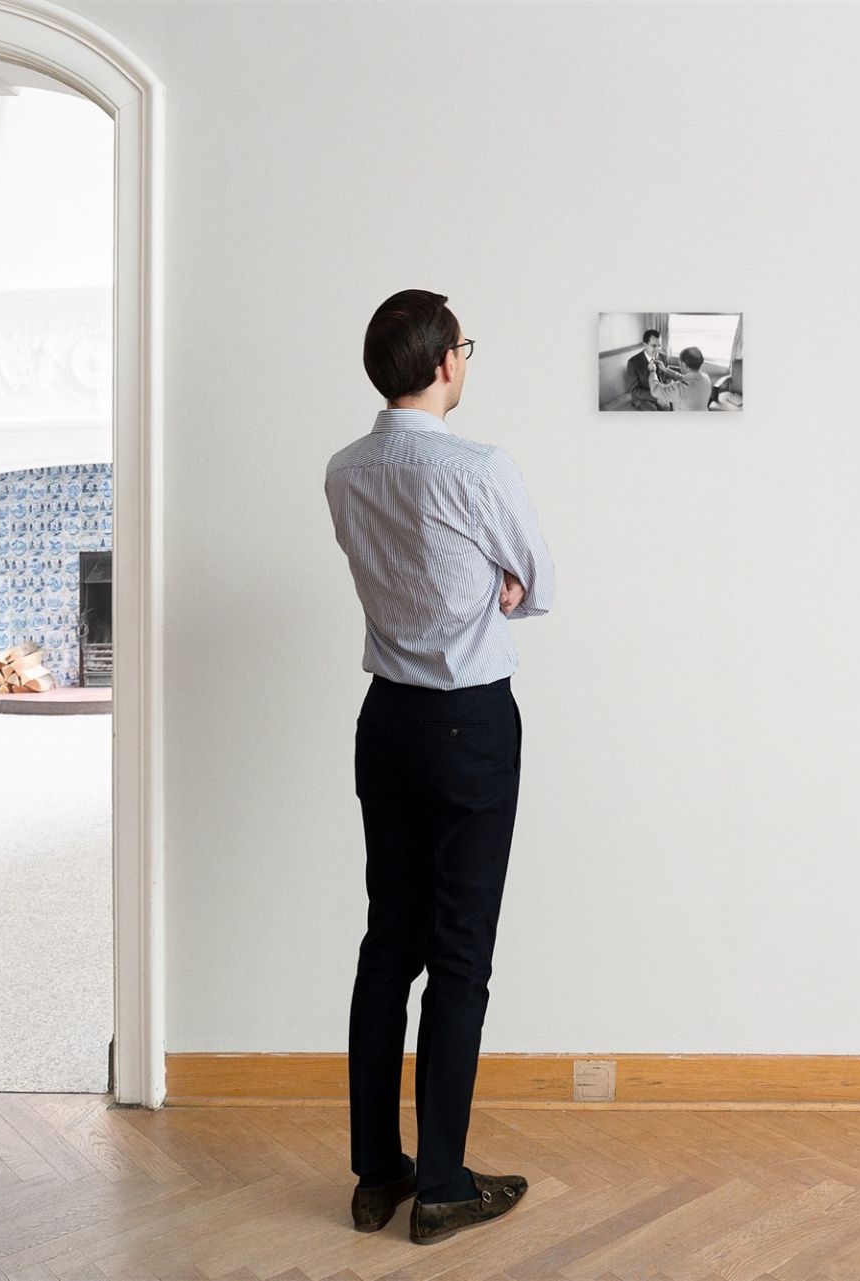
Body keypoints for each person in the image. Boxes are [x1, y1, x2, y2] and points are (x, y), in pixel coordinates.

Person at [324, 288, 555, 1245]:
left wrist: (486, 583)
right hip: (467, 725)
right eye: (465, 345)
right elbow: (540, 580)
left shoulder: (344, 471)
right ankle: (446, 1185)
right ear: (445, 363)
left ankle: (379, 1173)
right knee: (460, 955)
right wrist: (501, 586)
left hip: (386, 723)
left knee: (389, 947)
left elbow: (398, 573)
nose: (467, 357)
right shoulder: (479, 467)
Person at [624, 328, 673, 410]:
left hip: (661, 393)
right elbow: (635, 390)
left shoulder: (663, 357)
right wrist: (658, 397)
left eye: (659, 346)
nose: (657, 350)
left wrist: (666, 392)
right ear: (645, 345)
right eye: (654, 346)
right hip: (643, 397)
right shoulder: (633, 362)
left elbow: (667, 378)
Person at [665, 346, 714, 411]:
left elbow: (663, 404)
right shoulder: (706, 378)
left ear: (684, 365)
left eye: (679, 363)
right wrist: (665, 370)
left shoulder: (677, 387)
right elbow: (682, 378)